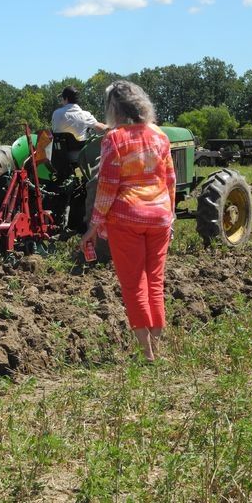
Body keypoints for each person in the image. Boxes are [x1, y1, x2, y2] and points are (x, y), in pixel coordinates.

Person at [81, 80, 175, 363]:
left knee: (134, 285)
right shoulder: (160, 136)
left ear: (114, 109)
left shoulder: (114, 138)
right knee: (155, 283)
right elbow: (170, 181)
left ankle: (146, 354)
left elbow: (107, 185)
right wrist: (169, 219)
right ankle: (158, 348)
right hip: (159, 216)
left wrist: (94, 226)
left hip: (127, 217)